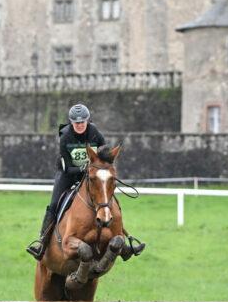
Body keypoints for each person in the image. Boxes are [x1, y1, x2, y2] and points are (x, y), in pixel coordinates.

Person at [26, 103, 145, 260]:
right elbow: (68, 167)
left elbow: (105, 155)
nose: (80, 125)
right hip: (68, 174)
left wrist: (103, 168)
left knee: (107, 201)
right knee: (55, 204)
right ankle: (42, 242)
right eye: (76, 123)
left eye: (83, 122)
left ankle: (125, 243)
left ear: (87, 121)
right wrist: (85, 169)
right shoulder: (65, 136)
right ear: (71, 122)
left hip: (92, 175)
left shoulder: (94, 132)